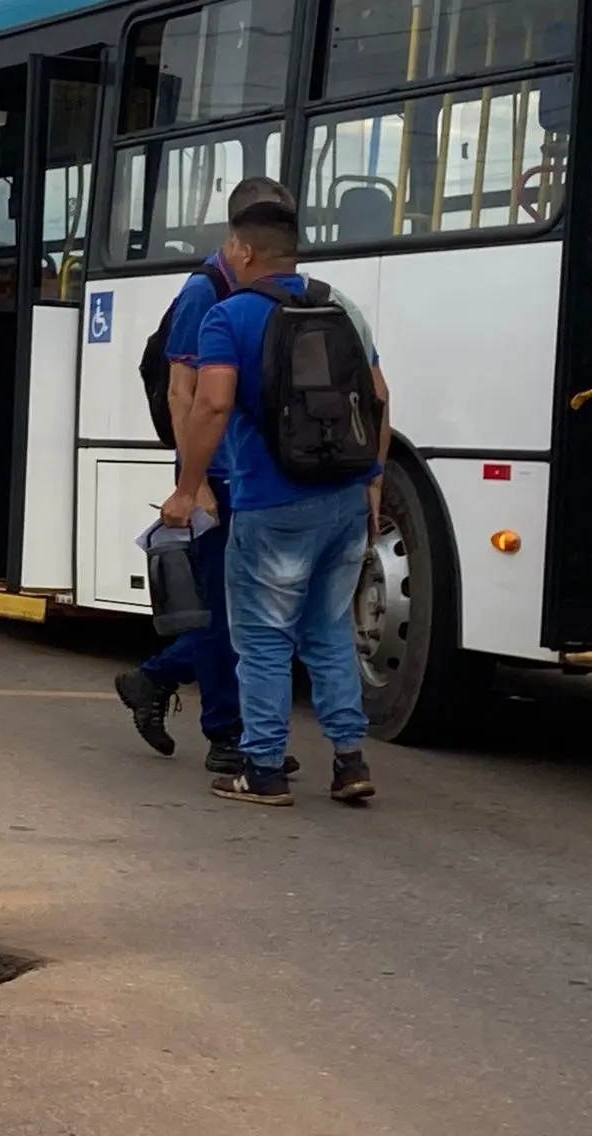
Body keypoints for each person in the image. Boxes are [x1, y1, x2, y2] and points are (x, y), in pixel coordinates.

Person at [161, 197, 390, 807]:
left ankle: (262, 769)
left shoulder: (229, 316)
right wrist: (373, 479)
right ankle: (348, 761)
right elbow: (379, 397)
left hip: (270, 501)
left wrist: (188, 488)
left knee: (261, 637)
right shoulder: (340, 306)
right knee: (329, 631)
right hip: (343, 497)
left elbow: (210, 405)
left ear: (242, 250)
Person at [116, 178, 302, 779]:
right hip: (213, 476)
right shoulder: (206, 291)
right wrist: (191, 484)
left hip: (250, 473)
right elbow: (182, 391)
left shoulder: (261, 289)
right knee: (225, 611)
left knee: (249, 608)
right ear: (239, 240)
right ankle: (228, 735)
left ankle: (154, 678)